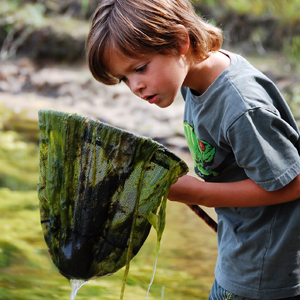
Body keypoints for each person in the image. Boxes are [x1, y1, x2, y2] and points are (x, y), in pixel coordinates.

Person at [85, 0, 300, 299]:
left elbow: (293, 183)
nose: (135, 86)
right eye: (125, 78)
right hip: (242, 254)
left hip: (263, 272)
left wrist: (196, 192)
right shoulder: (194, 80)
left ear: (180, 41)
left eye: (140, 68)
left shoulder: (240, 105)